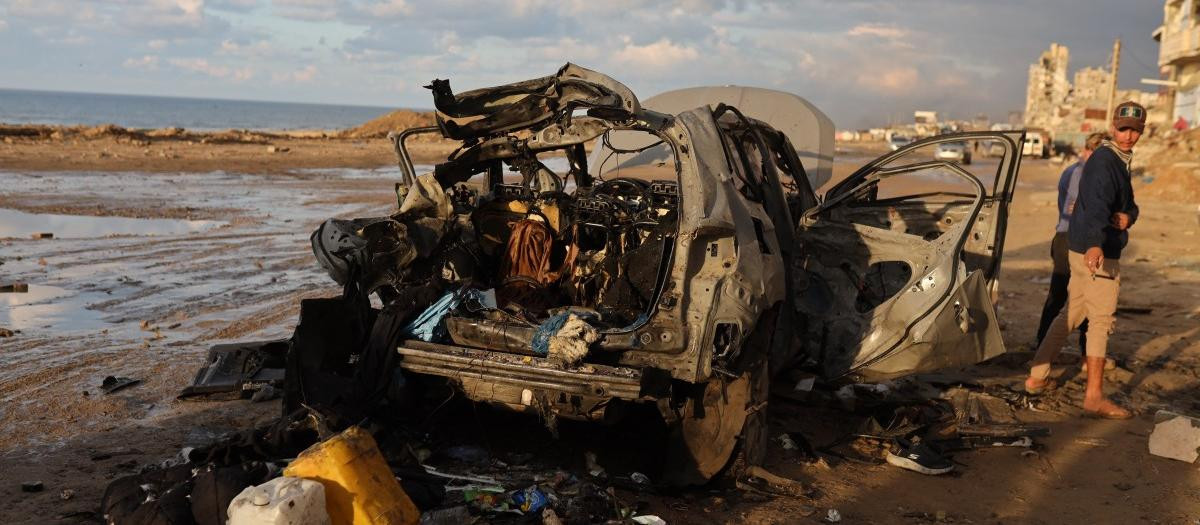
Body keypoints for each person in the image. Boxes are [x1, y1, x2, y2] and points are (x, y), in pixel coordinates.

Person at [1024, 101, 1145, 419]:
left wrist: (1128, 217)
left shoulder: (1118, 160)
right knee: (1101, 321)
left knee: (1072, 313)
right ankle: (1093, 397)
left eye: (1134, 130)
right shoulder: (1106, 162)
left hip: (1081, 248)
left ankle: (1037, 376)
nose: (1129, 136)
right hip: (1095, 250)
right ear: (1113, 127)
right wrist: (1096, 244)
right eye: (1123, 129)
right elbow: (1093, 205)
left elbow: (1129, 204)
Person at [1034, 132, 1106, 353]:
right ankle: (1043, 347)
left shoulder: (1082, 170)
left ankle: (1084, 349)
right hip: (1070, 239)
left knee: (1084, 296)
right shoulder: (1080, 172)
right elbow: (1073, 209)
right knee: (1062, 295)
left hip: (1074, 238)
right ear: (1089, 151)